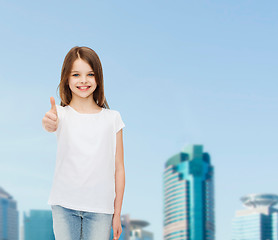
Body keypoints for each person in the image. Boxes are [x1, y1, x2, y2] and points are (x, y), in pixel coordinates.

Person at [42, 46, 125, 240]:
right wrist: (48, 122)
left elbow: (119, 169)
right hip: (64, 206)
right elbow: (48, 124)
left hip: (100, 210)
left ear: (98, 78)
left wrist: (117, 213)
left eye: (90, 74)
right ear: (67, 79)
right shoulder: (60, 115)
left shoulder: (113, 118)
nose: (83, 81)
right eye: (76, 74)